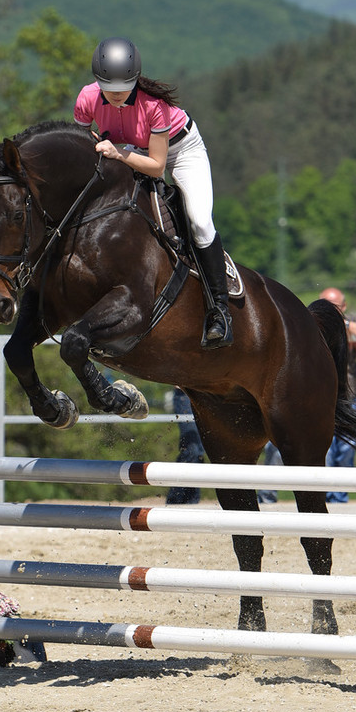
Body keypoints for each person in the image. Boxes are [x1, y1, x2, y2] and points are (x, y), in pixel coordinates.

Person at [74, 37, 233, 350]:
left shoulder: (154, 106)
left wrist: (118, 152)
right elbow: (82, 146)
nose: (118, 95)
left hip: (179, 150)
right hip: (130, 150)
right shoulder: (86, 98)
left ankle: (220, 312)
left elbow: (157, 167)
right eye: (110, 88)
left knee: (199, 221)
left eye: (125, 88)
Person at [320, 286, 356, 502]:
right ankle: (325, 496)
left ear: (343, 307)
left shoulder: (351, 320)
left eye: (334, 306)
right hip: (322, 396)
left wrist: (344, 324)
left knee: (346, 450)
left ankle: (340, 497)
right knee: (323, 450)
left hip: (349, 395)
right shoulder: (314, 320)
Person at [165, 389, 205, 504]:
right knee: (191, 449)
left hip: (206, 395)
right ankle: (176, 497)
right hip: (186, 393)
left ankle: (191, 498)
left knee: (199, 452)